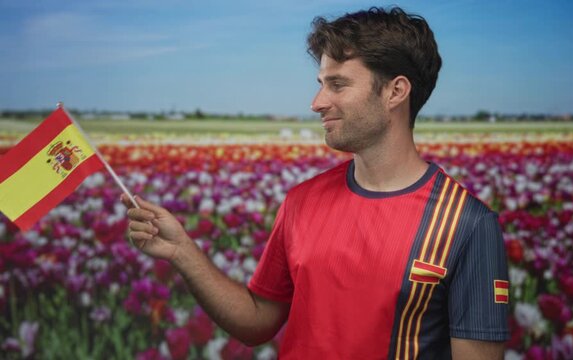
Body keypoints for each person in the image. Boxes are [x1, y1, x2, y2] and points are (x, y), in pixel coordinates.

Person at [123, 6, 509, 360]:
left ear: (396, 91)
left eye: (337, 85)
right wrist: (182, 252)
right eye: (321, 83)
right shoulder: (301, 201)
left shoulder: (467, 225)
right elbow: (258, 320)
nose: (316, 102)